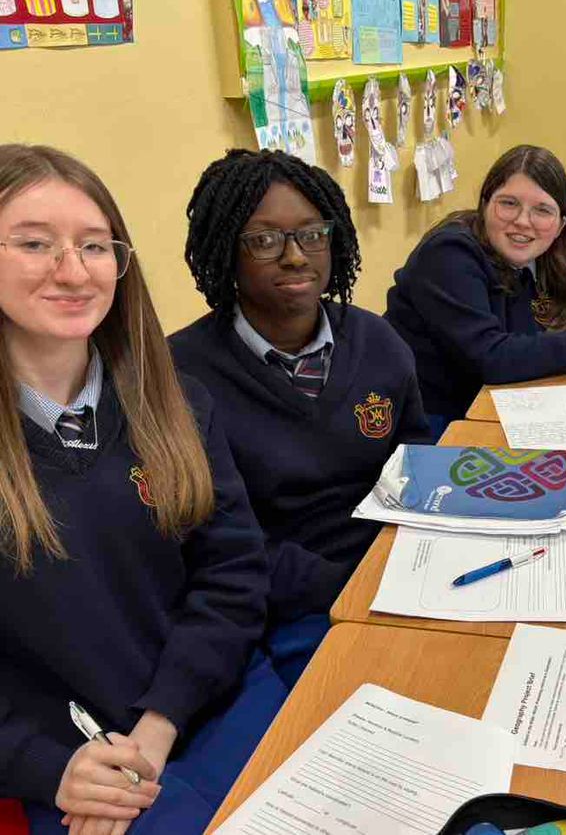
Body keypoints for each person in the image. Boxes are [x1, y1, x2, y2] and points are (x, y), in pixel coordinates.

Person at [0, 144, 285, 835]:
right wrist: (45, 767)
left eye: (95, 246)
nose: (73, 270)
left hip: (211, 705)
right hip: (76, 760)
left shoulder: (178, 403)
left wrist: (161, 721)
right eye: (34, 244)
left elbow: (233, 575)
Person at [170, 149, 430, 684]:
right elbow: (216, 544)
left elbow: (416, 464)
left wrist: (412, 564)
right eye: (265, 240)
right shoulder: (181, 376)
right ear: (227, 251)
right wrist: (352, 585)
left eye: (312, 234)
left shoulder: (377, 341)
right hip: (285, 609)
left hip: (398, 575)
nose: (295, 256)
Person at [385, 144, 566, 437]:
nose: (523, 221)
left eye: (542, 210)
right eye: (509, 203)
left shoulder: (544, 259)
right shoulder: (448, 254)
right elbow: (490, 357)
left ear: (561, 225)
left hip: (502, 406)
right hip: (430, 421)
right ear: (485, 205)